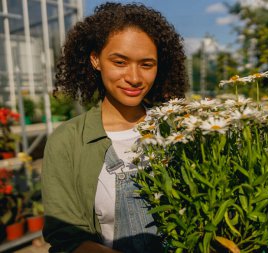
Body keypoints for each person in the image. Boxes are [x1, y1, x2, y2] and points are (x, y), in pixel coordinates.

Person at [41, 2, 188, 253]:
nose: (134, 77)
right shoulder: (68, 140)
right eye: (120, 62)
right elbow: (67, 236)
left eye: (146, 64)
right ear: (96, 60)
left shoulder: (178, 130)